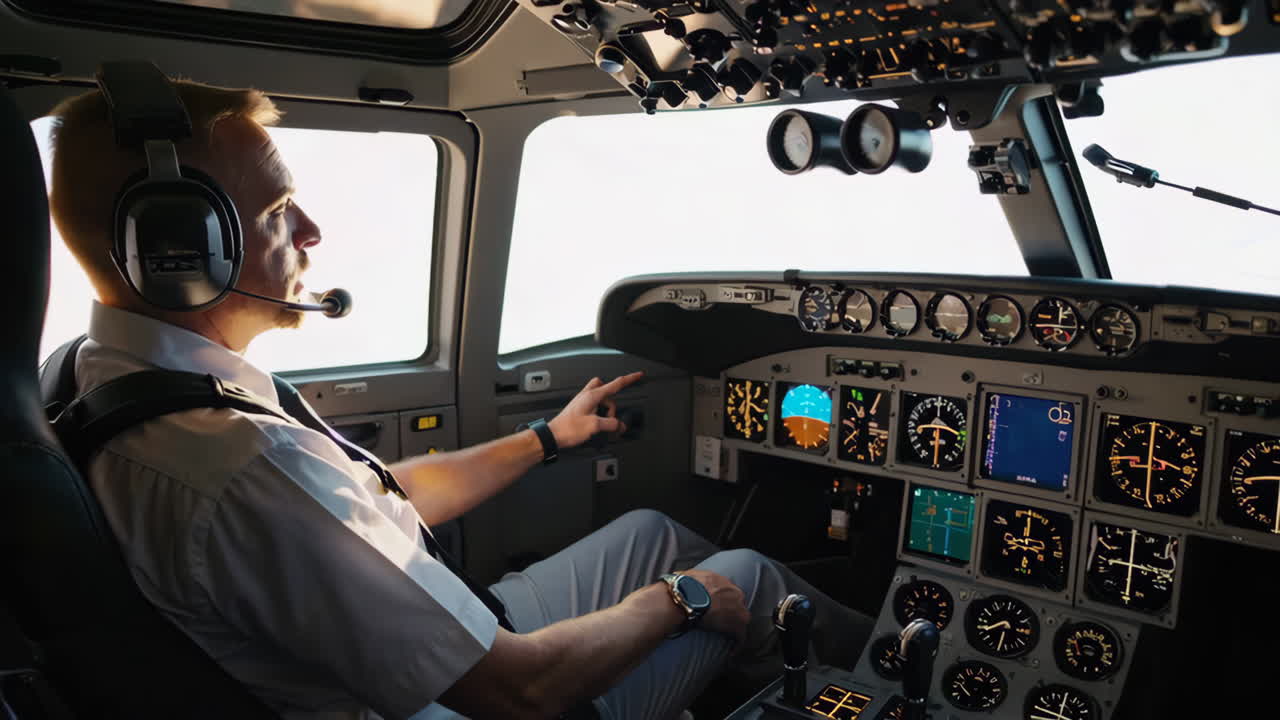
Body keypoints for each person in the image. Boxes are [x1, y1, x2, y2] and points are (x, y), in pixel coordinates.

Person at [45, 78, 872, 720]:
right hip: (483, 699)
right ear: (180, 251)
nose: (310, 234)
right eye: (275, 212)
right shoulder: (234, 463)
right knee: (742, 578)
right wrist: (682, 601)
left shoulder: (99, 379)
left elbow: (375, 503)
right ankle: (918, 681)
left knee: (652, 532)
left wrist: (549, 438)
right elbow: (520, 694)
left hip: (455, 644)